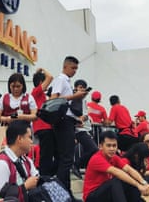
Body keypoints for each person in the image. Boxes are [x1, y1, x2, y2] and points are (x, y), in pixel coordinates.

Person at [50, 55, 87, 202]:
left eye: (76, 68)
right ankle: (63, 193)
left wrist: (76, 119)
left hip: (68, 120)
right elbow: (54, 99)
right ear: (65, 66)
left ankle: (65, 193)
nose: (75, 71)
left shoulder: (66, 81)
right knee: (66, 159)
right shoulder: (61, 79)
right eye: (73, 68)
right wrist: (74, 96)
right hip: (63, 121)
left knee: (65, 158)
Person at [83, 131, 149, 202]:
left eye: (114, 145)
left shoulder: (114, 157)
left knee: (130, 181)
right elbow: (117, 172)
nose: (112, 149)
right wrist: (138, 185)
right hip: (91, 197)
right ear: (100, 146)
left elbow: (129, 169)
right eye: (108, 145)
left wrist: (144, 183)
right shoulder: (97, 158)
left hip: (107, 192)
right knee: (117, 180)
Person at [0, 120, 39, 201]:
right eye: (29, 137)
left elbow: (37, 180)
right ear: (19, 139)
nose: (32, 142)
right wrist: (25, 187)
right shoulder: (1, 164)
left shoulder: (27, 161)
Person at [0, 73, 37, 157]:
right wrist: (7, 119)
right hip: (7, 130)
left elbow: (34, 116)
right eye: (13, 86)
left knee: (24, 153)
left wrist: (20, 117)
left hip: (24, 131)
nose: (15, 89)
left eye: (18, 86)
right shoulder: (4, 97)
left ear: (23, 86)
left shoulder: (29, 98)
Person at [31, 68, 57, 176]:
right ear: (41, 82)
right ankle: (45, 176)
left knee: (51, 153)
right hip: (43, 127)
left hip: (47, 127)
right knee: (46, 155)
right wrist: (42, 70)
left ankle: (48, 174)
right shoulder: (36, 91)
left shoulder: (42, 96)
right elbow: (50, 77)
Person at [72, 79, 98, 179]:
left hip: (86, 129)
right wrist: (79, 120)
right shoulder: (74, 99)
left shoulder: (83, 100)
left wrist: (84, 118)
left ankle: (88, 170)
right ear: (75, 88)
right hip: (80, 130)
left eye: (83, 88)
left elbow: (85, 114)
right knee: (94, 149)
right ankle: (76, 165)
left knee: (92, 151)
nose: (82, 89)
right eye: (80, 87)